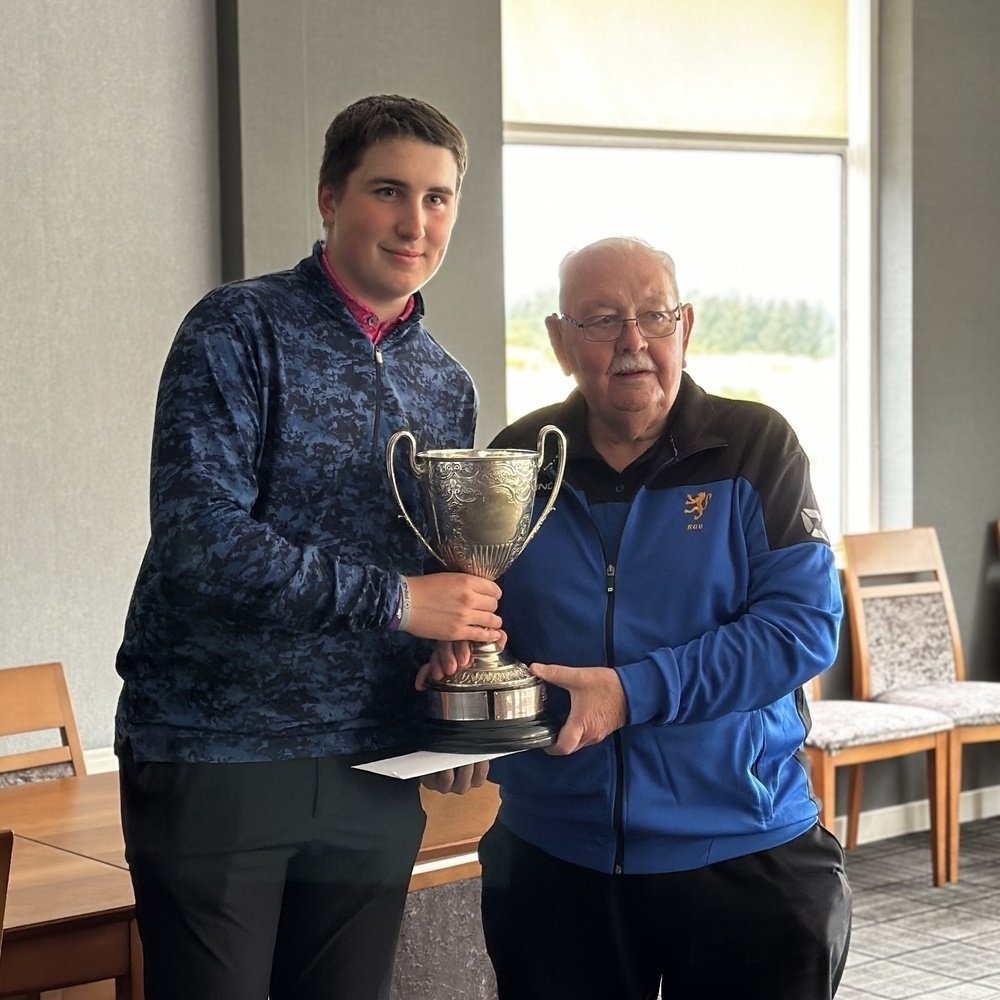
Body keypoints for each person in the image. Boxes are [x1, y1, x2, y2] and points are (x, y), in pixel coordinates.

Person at [114, 94, 499, 1000]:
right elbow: (199, 539)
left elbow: (440, 566)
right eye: (389, 191)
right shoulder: (234, 329)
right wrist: (402, 603)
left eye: (439, 198)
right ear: (329, 198)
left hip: (373, 760)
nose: (416, 223)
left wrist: (458, 644)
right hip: (219, 753)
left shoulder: (447, 384)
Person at [422, 236, 852, 999]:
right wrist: (457, 676)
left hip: (746, 853)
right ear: (559, 341)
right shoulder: (521, 461)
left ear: (685, 325)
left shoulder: (757, 448)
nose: (633, 341)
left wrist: (630, 692)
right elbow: (481, 621)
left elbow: (802, 628)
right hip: (554, 859)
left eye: (654, 315)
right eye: (601, 320)